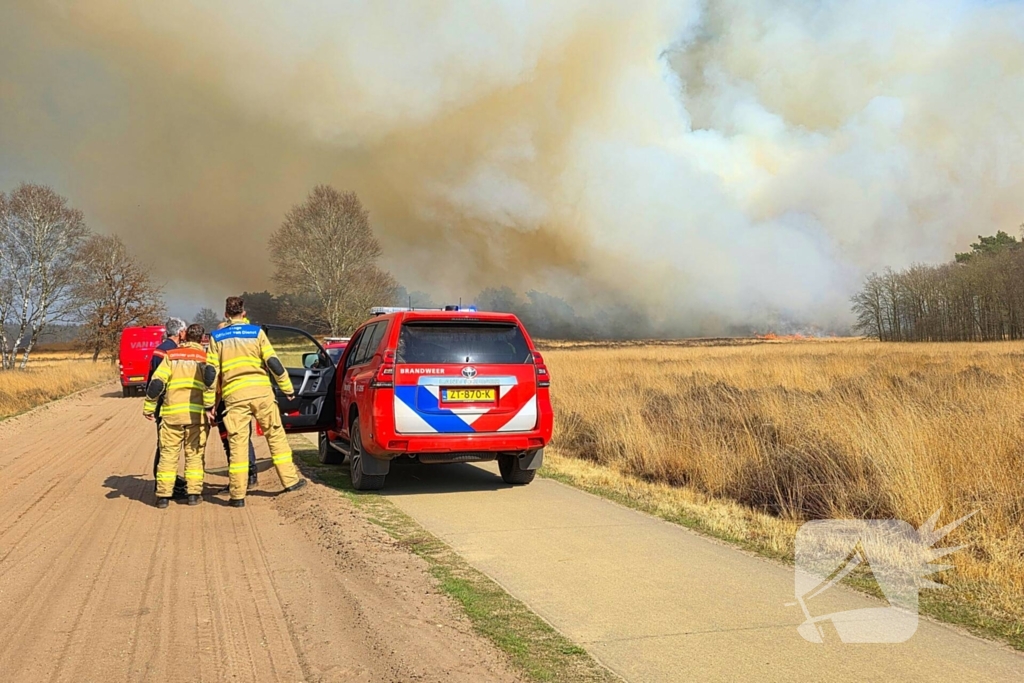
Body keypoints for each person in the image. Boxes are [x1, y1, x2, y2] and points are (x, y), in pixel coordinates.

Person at [205, 296, 307, 507]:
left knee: (238, 444)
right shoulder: (256, 332)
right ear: (244, 313)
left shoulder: (217, 337)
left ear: (225, 315)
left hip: (234, 396)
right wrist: (287, 388)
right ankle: (290, 482)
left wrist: (209, 404)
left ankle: (237, 496)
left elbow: (211, 373)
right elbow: (274, 363)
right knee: (276, 436)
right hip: (262, 393)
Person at [144, 323, 214, 508]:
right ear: (201, 339)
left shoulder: (171, 356)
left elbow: (156, 383)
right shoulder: (204, 357)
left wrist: (149, 408)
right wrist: (209, 407)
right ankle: (193, 495)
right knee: (194, 455)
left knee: (168, 455)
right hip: (195, 416)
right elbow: (209, 383)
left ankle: (163, 498)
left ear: (185, 336)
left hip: (171, 415)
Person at [213, 320, 258, 489]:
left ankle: (246, 476)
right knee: (235, 440)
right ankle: (244, 477)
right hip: (233, 403)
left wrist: (212, 407)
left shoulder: (223, 357)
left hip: (231, 404)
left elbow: (216, 387)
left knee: (236, 440)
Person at [148, 317, 188, 495]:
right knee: (167, 448)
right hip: (170, 406)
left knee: (165, 446)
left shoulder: (160, 351)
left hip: (163, 406)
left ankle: (166, 480)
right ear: (180, 332)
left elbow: (152, 382)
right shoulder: (172, 352)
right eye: (184, 331)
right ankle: (163, 483)